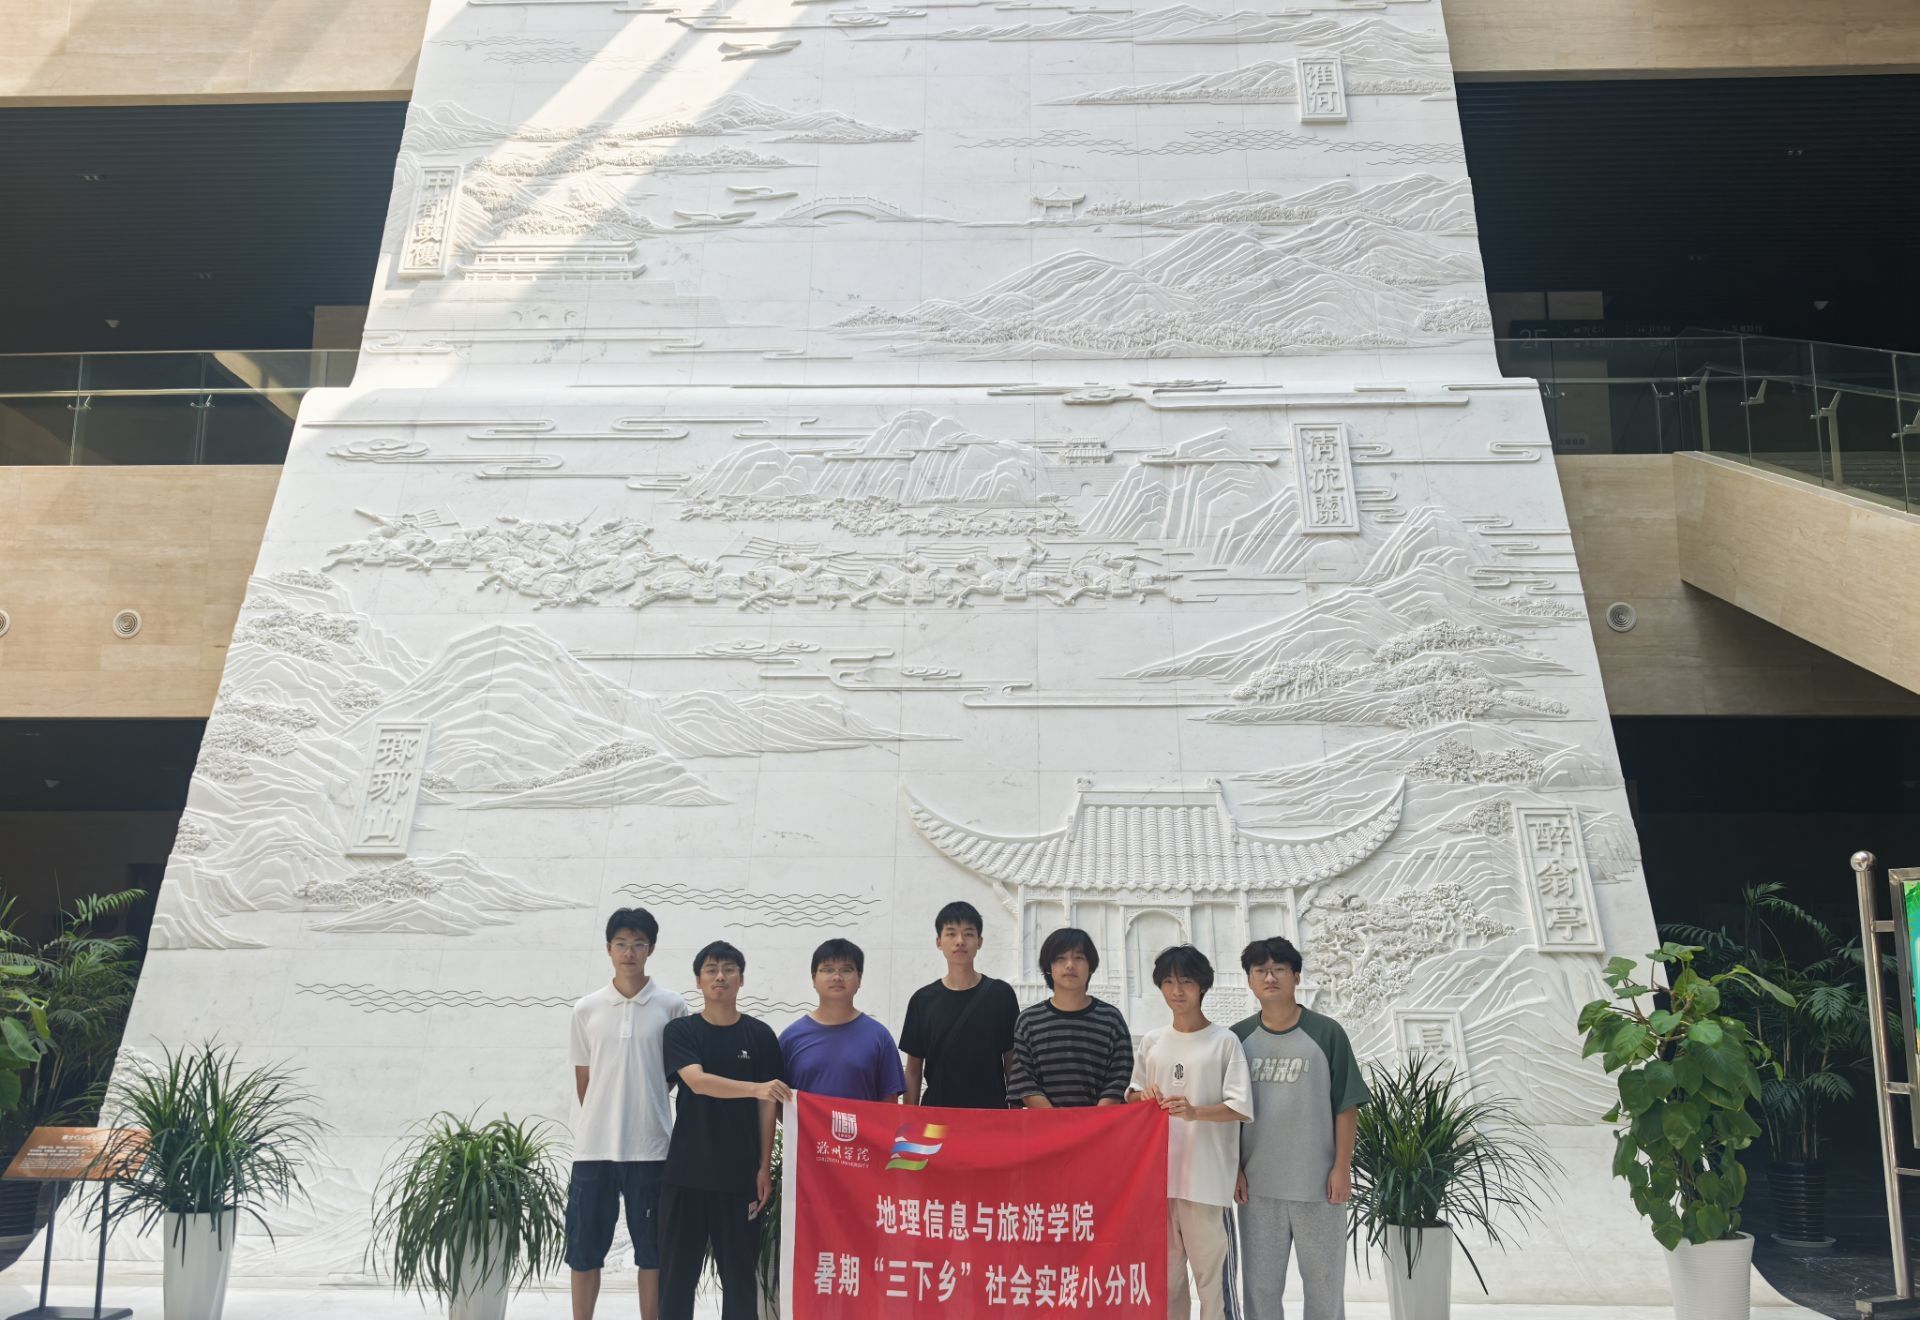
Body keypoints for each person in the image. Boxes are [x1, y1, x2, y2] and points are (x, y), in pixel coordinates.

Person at [1232, 936, 1370, 1320]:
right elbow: (1228, 1114)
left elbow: (1346, 1105)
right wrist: (1233, 1168)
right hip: (1258, 1188)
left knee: (1324, 1285)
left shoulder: (1327, 1033)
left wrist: (1342, 1167)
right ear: (1249, 980)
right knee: (1260, 1289)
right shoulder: (1236, 1039)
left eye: (1279, 969)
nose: (1269, 977)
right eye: (1260, 970)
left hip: (1319, 1187)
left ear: (1296, 976)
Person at [565, 907, 687, 1320]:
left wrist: (642, 1102)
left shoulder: (672, 1006)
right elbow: (585, 1079)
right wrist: (607, 1111)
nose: (629, 952)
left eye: (638, 944)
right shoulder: (586, 1008)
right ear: (608, 949)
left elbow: (674, 1075)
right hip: (593, 1150)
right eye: (621, 944)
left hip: (652, 1148)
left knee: (653, 1253)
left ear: (651, 949)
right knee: (584, 1250)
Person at [659, 941, 790, 1320]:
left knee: (740, 1282)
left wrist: (763, 1167)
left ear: (741, 979)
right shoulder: (681, 1031)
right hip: (686, 1175)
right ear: (698, 980)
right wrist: (756, 1088)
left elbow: (768, 1106)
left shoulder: (760, 1035)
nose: (720, 976)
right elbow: (697, 1081)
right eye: (712, 969)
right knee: (676, 1280)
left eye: (729, 969)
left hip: (739, 1178)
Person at [1129, 945, 1253, 1320]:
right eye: (1168, 982)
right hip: (1159, 1183)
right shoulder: (1152, 1042)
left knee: (1214, 1288)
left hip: (1207, 1184)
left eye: (1185, 981)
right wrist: (1141, 1096)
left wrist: (1196, 1112)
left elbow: (1240, 1107)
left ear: (1202, 986)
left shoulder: (1224, 1041)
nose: (1177, 990)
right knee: (1166, 1286)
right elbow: (1131, 1094)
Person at [900, 901, 1020, 1108]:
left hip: (990, 1114)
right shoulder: (922, 1000)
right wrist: (909, 1119)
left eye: (968, 933)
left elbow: (1011, 1061)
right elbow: (913, 1069)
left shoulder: (1001, 995)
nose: (960, 941)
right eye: (951, 933)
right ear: (939, 942)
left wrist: (1016, 1115)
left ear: (979, 942)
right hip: (937, 1116)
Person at [1007, 927, 1131, 1109]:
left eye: (1079, 958)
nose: (1070, 965)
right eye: (1061, 958)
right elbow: (1025, 1083)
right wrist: (1058, 1121)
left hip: (1101, 1124)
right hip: (1046, 1124)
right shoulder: (1028, 1021)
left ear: (1091, 966)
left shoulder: (1111, 1019)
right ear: (1049, 967)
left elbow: (1119, 1078)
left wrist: (1094, 1120)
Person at [778, 938, 907, 1102]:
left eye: (846, 970)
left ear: (859, 978)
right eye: (827, 969)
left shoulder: (879, 1037)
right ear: (814, 979)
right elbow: (777, 1101)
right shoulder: (790, 1038)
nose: (837, 977)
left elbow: (889, 1104)